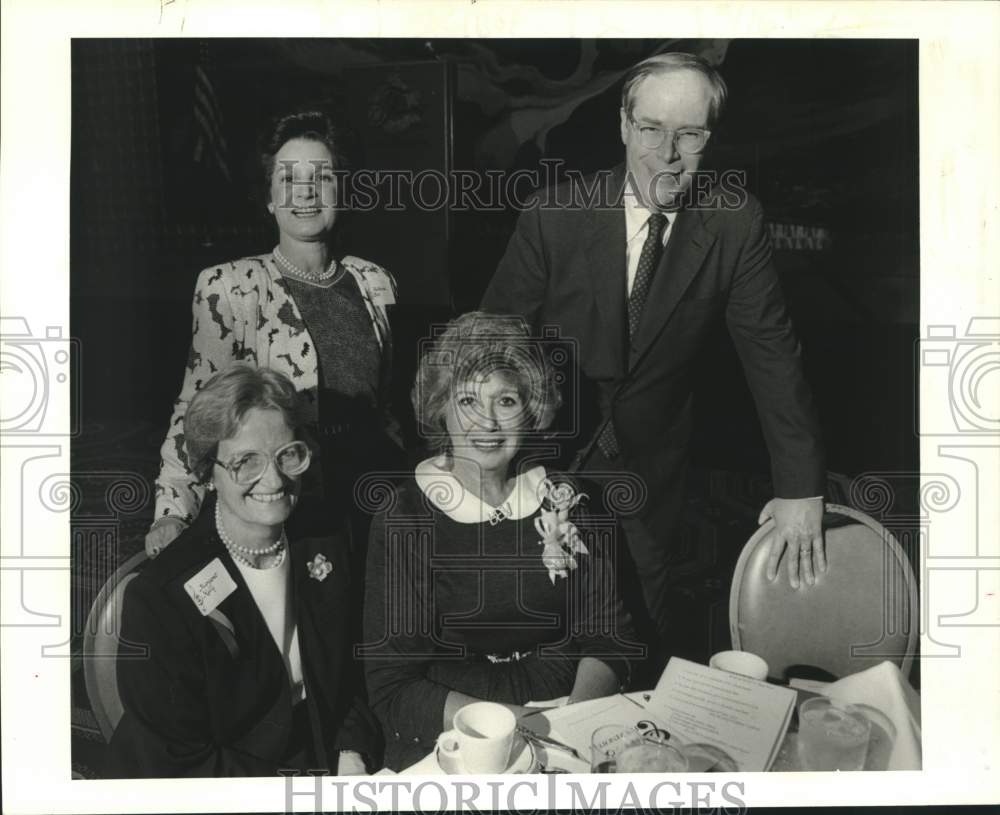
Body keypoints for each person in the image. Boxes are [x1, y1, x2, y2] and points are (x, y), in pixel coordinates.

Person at [481, 53, 827, 663]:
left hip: (653, 483)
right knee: (536, 650)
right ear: (622, 126)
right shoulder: (553, 213)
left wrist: (800, 487)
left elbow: (773, 355)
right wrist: (484, 477)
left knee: (637, 655)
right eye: (651, 129)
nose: (667, 152)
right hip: (540, 463)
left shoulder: (732, 223)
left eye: (689, 134)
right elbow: (489, 351)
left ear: (709, 138)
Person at [362, 312, 641, 771]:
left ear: (531, 410)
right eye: (468, 400)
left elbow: (610, 638)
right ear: (439, 409)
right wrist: (524, 726)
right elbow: (393, 687)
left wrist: (573, 719)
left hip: (568, 712)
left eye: (506, 400)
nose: (487, 422)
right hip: (453, 729)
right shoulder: (403, 515)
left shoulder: (567, 496)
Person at [145, 109, 401, 558]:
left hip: (371, 507)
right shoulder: (230, 286)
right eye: (288, 179)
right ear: (269, 198)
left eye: (321, 178)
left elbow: (389, 410)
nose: (305, 192)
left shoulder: (375, 282)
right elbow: (195, 413)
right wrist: (172, 512)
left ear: (341, 191)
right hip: (281, 510)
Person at [109, 366, 377, 777]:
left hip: (314, 756)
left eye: (287, 454)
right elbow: (179, 764)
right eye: (245, 462)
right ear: (207, 472)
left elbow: (352, 669)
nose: (273, 478)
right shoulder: (159, 597)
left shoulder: (327, 538)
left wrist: (351, 749)